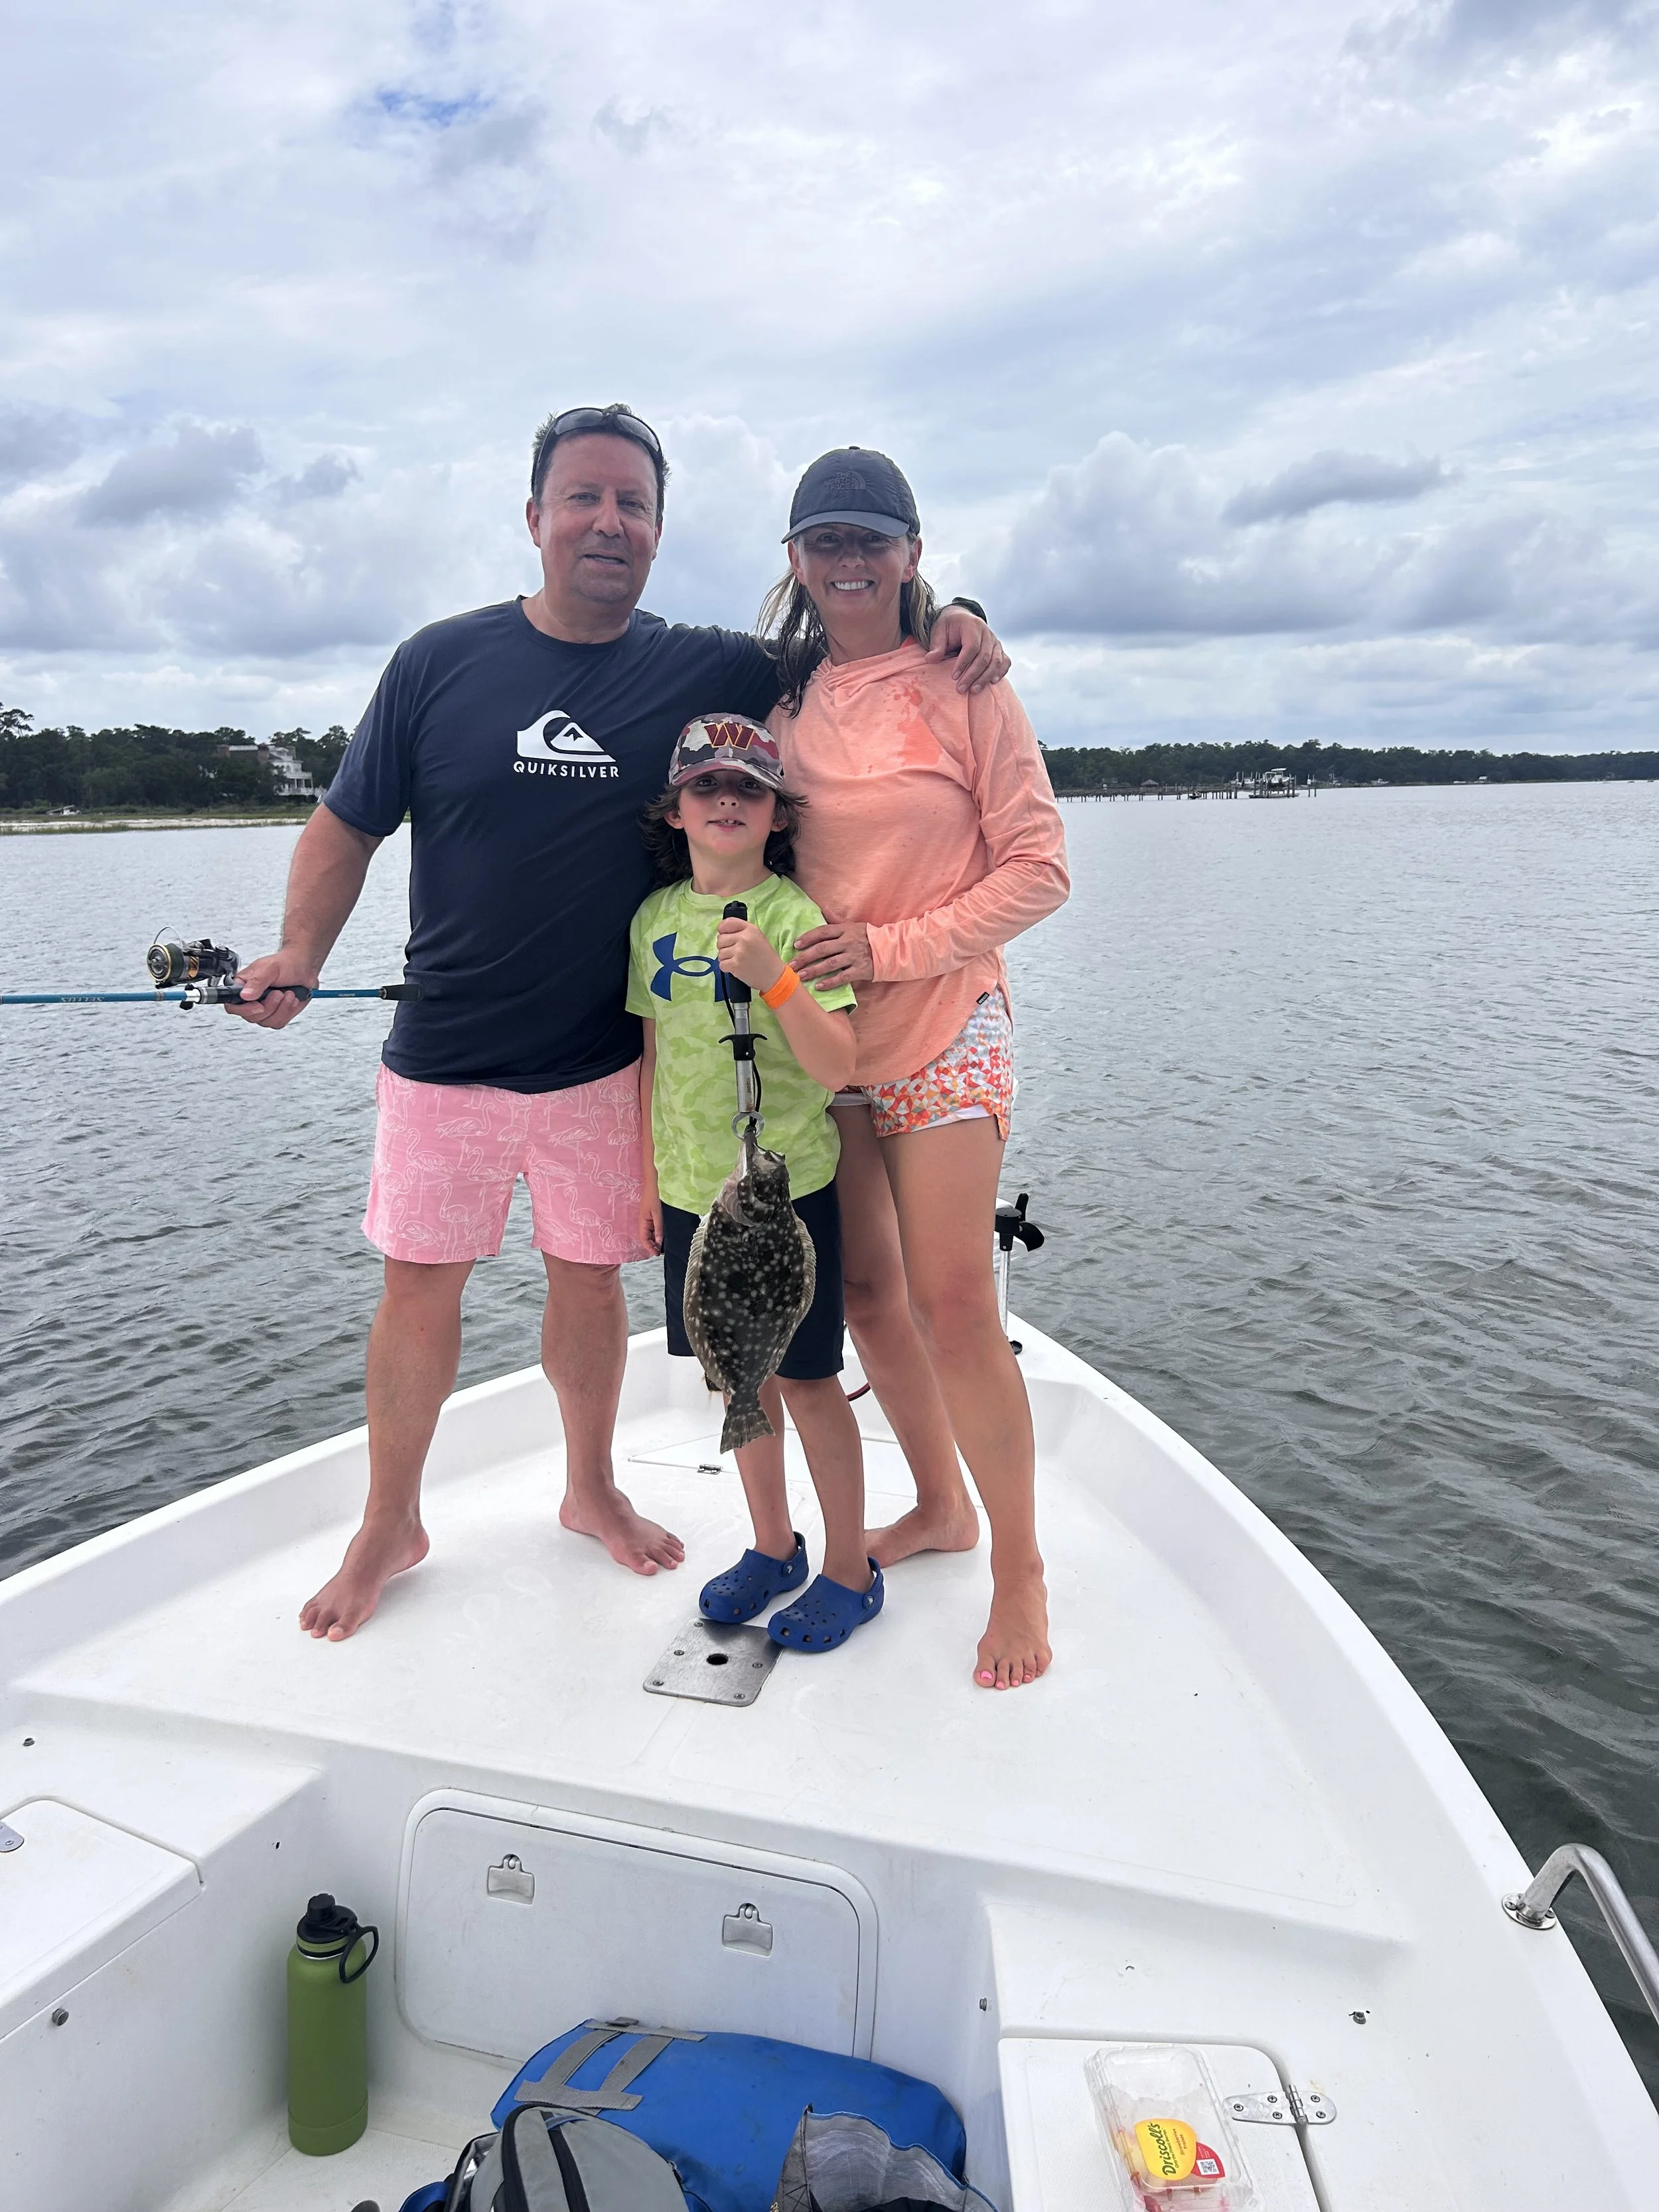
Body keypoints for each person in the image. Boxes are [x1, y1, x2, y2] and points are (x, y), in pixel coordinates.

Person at [227, 404, 1008, 1640]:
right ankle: (390, 1518)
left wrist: (955, 617)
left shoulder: (708, 671)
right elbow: (346, 824)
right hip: (448, 1050)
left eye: (633, 504)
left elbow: (858, 613)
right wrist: (300, 954)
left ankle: (590, 1486)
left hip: (607, 1061)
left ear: (658, 533)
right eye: (582, 498)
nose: (608, 522)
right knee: (418, 1284)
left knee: (589, 1286)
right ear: (533, 518)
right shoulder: (437, 662)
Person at [760, 447, 1070, 1690]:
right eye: (824, 539)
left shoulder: (967, 682)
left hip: (947, 1020)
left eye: (871, 538)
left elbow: (1040, 869)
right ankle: (940, 1505)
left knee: (953, 1304)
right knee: (871, 1301)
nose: (847, 560)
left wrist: (889, 946)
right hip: (830, 1043)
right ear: (793, 558)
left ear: (913, 551)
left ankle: (1019, 1567)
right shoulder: (778, 698)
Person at [630, 713, 881, 1650]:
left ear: (778, 815)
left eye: (749, 789)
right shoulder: (652, 920)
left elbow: (837, 1062)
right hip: (694, 1192)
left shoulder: (794, 916)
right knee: (738, 1382)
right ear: (677, 810)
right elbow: (653, 1057)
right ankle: (773, 1547)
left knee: (810, 1383)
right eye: (707, 787)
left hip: (786, 1202)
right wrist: (647, 1182)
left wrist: (776, 978)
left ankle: (851, 1568)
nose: (726, 801)